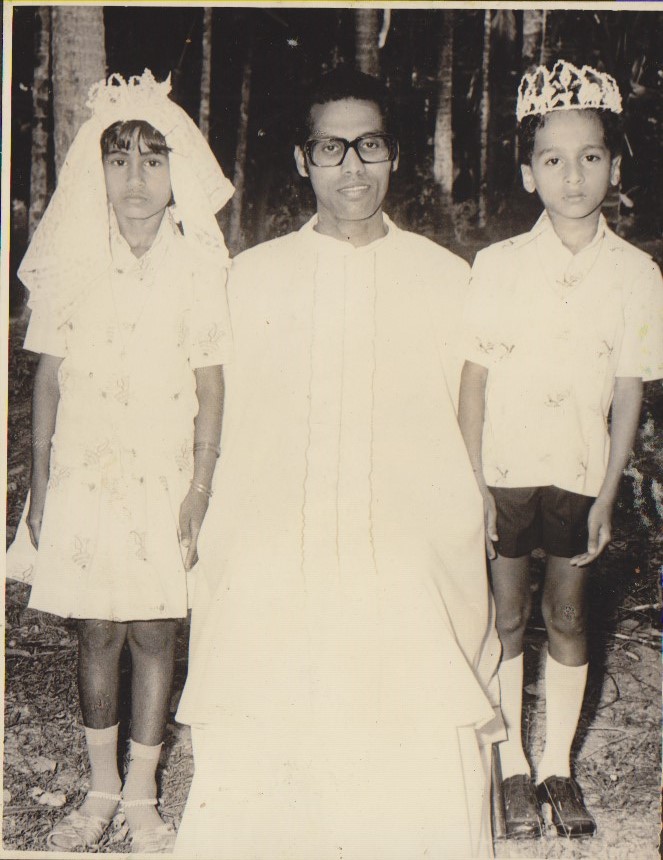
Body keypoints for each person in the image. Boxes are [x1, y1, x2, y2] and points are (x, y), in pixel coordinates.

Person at [174, 68, 502, 860]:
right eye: (330, 148)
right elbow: (218, 409)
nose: (352, 166)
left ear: (394, 156)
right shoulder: (251, 278)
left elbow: (469, 413)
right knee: (264, 584)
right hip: (277, 509)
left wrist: (469, 498)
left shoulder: (445, 277)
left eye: (369, 145)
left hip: (409, 517)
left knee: (401, 584)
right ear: (302, 159)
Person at [9, 69, 233, 853]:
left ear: (179, 170)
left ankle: (142, 792)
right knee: (97, 629)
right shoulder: (74, 263)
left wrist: (200, 486)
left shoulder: (199, 265)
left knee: (154, 628)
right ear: (94, 169)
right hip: (86, 476)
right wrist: (40, 487)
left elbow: (211, 382)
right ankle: (101, 787)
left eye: (152, 159)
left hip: (165, 477)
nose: (135, 178)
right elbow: (47, 378)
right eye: (117, 159)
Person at [458, 60, 663, 840]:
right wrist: (472, 483)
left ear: (613, 167)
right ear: (527, 173)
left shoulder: (635, 273)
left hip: (579, 471)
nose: (571, 176)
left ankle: (556, 767)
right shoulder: (499, 265)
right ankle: (511, 766)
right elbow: (473, 382)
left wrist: (608, 491)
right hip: (504, 470)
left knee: (568, 614)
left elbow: (627, 389)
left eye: (589, 157)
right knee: (507, 614)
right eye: (552, 159)